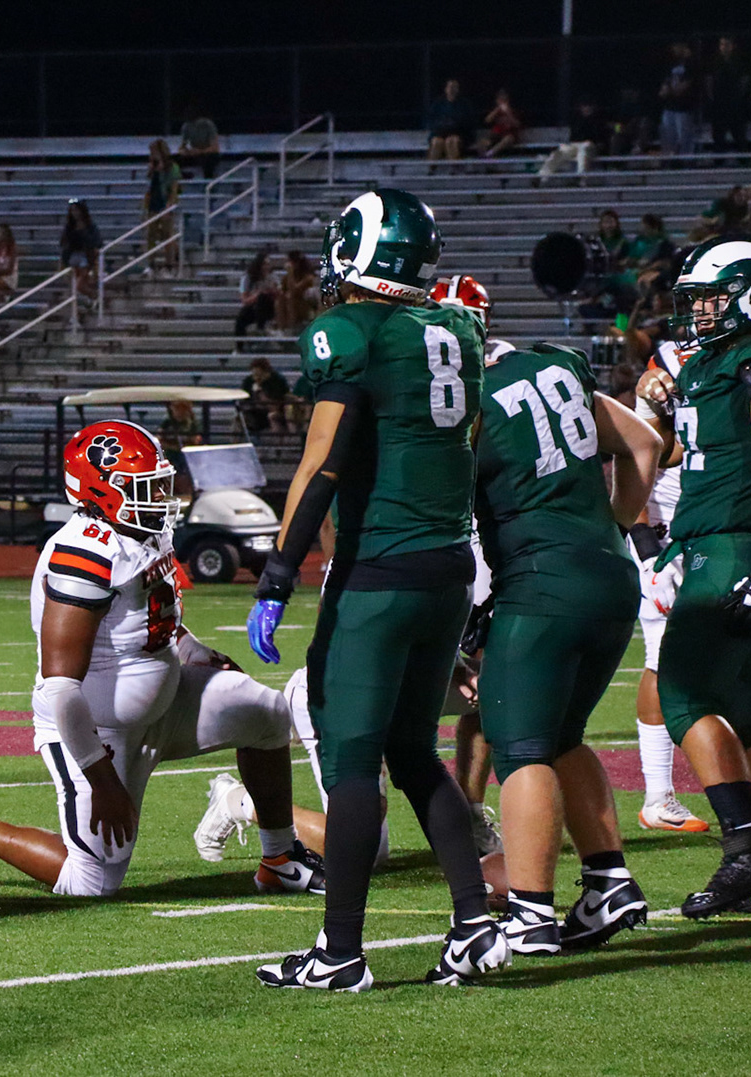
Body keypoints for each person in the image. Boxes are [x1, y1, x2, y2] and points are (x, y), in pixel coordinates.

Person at [249, 188, 503, 992]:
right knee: (413, 749)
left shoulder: (349, 332)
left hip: (381, 569)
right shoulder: (459, 328)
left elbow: (323, 461)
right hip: (449, 566)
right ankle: (474, 925)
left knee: (354, 760)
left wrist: (278, 573)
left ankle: (340, 952)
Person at [0, 420, 323, 898]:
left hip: (167, 701)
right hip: (97, 731)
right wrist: (101, 779)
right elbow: (60, 685)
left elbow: (148, 617)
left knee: (266, 713)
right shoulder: (82, 553)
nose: (159, 497)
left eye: (159, 484)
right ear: (100, 490)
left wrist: (193, 650)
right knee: (91, 882)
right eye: (144, 487)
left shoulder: (143, 530)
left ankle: (280, 858)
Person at [634, 235, 751, 916]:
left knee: (682, 694)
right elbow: (687, 449)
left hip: (738, 550)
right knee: (744, 716)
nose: (701, 310)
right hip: (714, 545)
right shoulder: (713, 363)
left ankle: (748, 850)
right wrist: (653, 402)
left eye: (713, 298)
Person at [471, 329, 663, 953]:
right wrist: (616, 522)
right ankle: (608, 882)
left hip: (541, 581)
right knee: (562, 737)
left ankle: (529, 912)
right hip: (610, 573)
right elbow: (645, 441)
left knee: (519, 745)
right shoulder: (557, 372)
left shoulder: (469, 395)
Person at [626, 340, 710, 832]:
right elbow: (639, 457)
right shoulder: (670, 366)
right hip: (669, 531)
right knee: (661, 657)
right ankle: (658, 796)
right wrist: (645, 546)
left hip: (722, 523)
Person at [707, 36, 751, 159]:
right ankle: (718, 161)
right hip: (719, 104)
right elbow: (709, 80)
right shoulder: (715, 62)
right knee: (718, 135)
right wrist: (712, 97)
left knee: (739, 134)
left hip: (736, 104)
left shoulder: (739, 62)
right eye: (722, 44)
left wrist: (739, 97)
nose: (724, 47)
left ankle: (743, 161)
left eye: (727, 44)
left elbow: (745, 80)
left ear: (733, 46)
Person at [537, 100, 607, 183]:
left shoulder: (598, 120)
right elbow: (573, 137)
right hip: (575, 145)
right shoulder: (576, 119)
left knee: (583, 151)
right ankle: (541, 176)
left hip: (590, 146)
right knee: (558, 153)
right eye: (584, 106)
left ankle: (579, 177)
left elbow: (600, 139)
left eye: (589, 106)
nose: (586, 108)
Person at [143, 140, 181, 273]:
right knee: (151, 233)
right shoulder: (153, 167)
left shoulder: (172, 168)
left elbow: (174, 189)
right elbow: (149, 182)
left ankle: (170, 262)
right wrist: (153, 168)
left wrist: (169, 205)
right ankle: (151, 262)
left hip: (165, 201)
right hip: (154, 201)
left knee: (167, 234)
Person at [659, 43, 700, 160]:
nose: (674, 49)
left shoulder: (692, 64)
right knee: (668, 138)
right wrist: (665, 90)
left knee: (685, 140)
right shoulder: (671, 63)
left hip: (684, 109)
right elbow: (665, 85)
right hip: (669, 108)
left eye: (677, 46)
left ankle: (686, 163)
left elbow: (685, 86)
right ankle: (669, 162)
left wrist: (671, 90)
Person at [61, 200, 103, 299]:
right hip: (73, 256)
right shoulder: (69, 227)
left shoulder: (90, 226)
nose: (75, 213)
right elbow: (64, 243)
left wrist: (83, 232)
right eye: (73, 210)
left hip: (86, 256)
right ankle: (89, 298)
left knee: (80, 285)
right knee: (75, 283)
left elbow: (96, 242)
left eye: (77, 210)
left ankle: (94, 296)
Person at [426, 79, 475, 161]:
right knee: (436, 142)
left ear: (458, 89)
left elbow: (468, 122)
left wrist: (454, 124)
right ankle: (431, 167)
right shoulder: (438, 103)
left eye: (454, 87)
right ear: (446, 89)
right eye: (450, 87)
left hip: (460, 134)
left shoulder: (464, 104)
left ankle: (454, 167)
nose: (452, 89)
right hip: (440, 133)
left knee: (451, 141)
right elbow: (431, 121)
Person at [234, 250, 277, 338]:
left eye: (268, 264)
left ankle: (261, 328)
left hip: (269, 306)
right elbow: (245, 300)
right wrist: (257, 294)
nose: (266, 267)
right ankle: (240, 343)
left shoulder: (273, 277)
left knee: (263, 299)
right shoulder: (247, 278)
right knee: (240, 320)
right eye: (264, 264)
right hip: (253, 306)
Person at [177, 103, 220, 179]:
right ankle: (182, 177)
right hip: (194, 154)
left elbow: (214, 148)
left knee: (210, 159)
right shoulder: (186, 126)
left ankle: (208, 180)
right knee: (176, 160)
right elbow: (182, 146)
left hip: (207, 153)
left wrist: (200, 151)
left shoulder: (209, 125)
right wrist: (185, 152)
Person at [479, 88, 524, 157]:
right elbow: (487, 120)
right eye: (500, 100)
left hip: (509, 137)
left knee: (508, 139)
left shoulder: (513, 111)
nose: (502, 102)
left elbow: (517, 124)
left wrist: (508, 113)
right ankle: (481, 156)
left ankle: (490, 153)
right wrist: (497, 110)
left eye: (504, 100)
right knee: (482, 141)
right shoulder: (496, 111)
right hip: (496, 136)